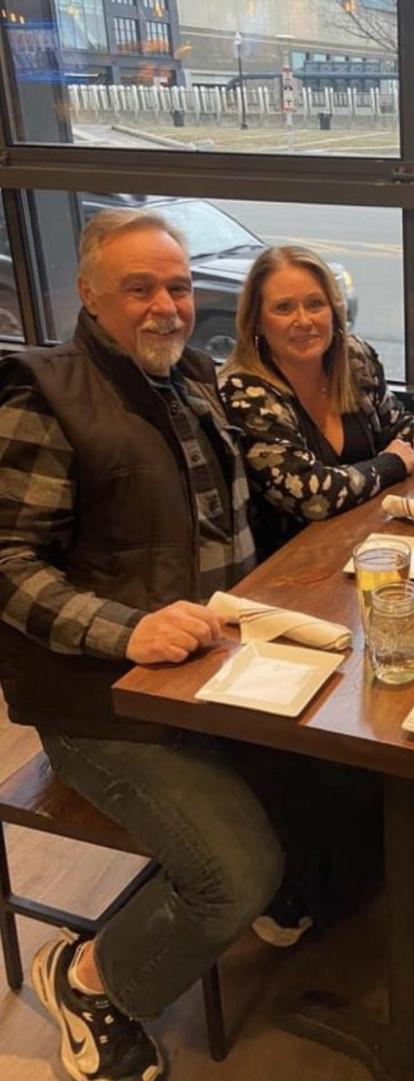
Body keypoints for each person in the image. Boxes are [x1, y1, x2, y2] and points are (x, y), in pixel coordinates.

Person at [0, 209, 286, 1081]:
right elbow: (8, 563)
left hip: (207, 671)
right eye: (140, 288)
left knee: (349, 771)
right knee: (239, 876)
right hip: (100, 701)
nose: (166, 305)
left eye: (178, 285)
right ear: (88, 295)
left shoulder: (187, 378)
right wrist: (132, 630)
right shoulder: (44, 392)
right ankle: (90, 976)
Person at [221, 245, 414, 555]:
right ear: (256, 321)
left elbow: (395, 424)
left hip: (366, 538)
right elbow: (312, 496)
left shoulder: (352, 357)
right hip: (292, 567)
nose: (304, 320)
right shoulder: (245, 392)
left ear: (334, 310)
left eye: (315, 304)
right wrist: (390, 464)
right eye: (284, 308)